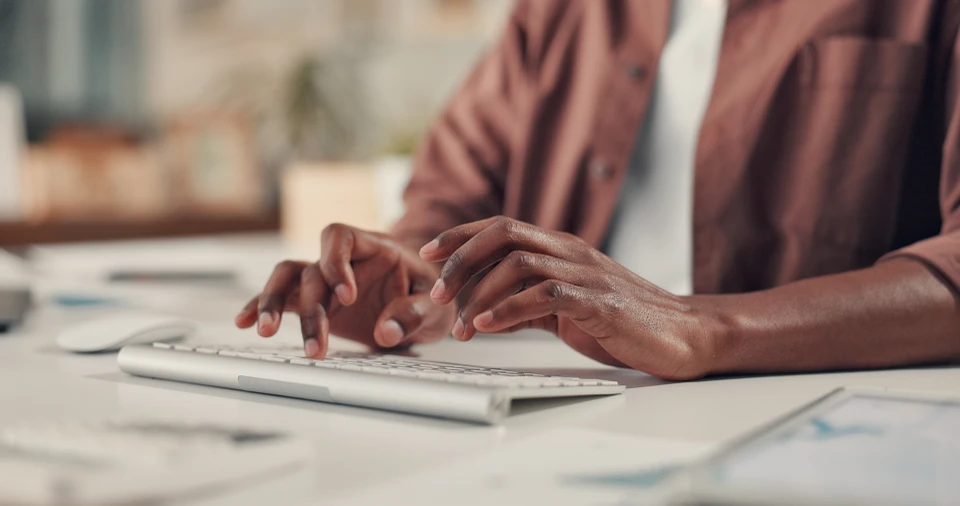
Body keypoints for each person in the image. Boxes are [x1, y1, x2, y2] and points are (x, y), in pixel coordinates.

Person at [236, 0, 960, 380]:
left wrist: (700, 328)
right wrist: (409, 276)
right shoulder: (559, 11)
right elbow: (444, 203)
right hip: (557, 410)